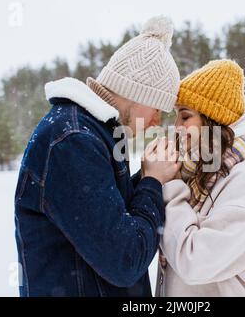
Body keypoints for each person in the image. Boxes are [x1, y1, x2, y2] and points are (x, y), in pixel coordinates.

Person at [14, 16, 181, 297]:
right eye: (157, 110)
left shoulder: (94, 133)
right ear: (137, 93)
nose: (156, 123)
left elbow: (109, 218)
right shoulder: (73, 141)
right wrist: (151, 182)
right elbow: (125, 259)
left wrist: (148, 176)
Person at [157, 59, 245, 297]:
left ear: (212, 119)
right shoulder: (196, 173)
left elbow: (195, 262)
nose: (176, 126)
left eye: (185, 117)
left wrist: (172, 187)